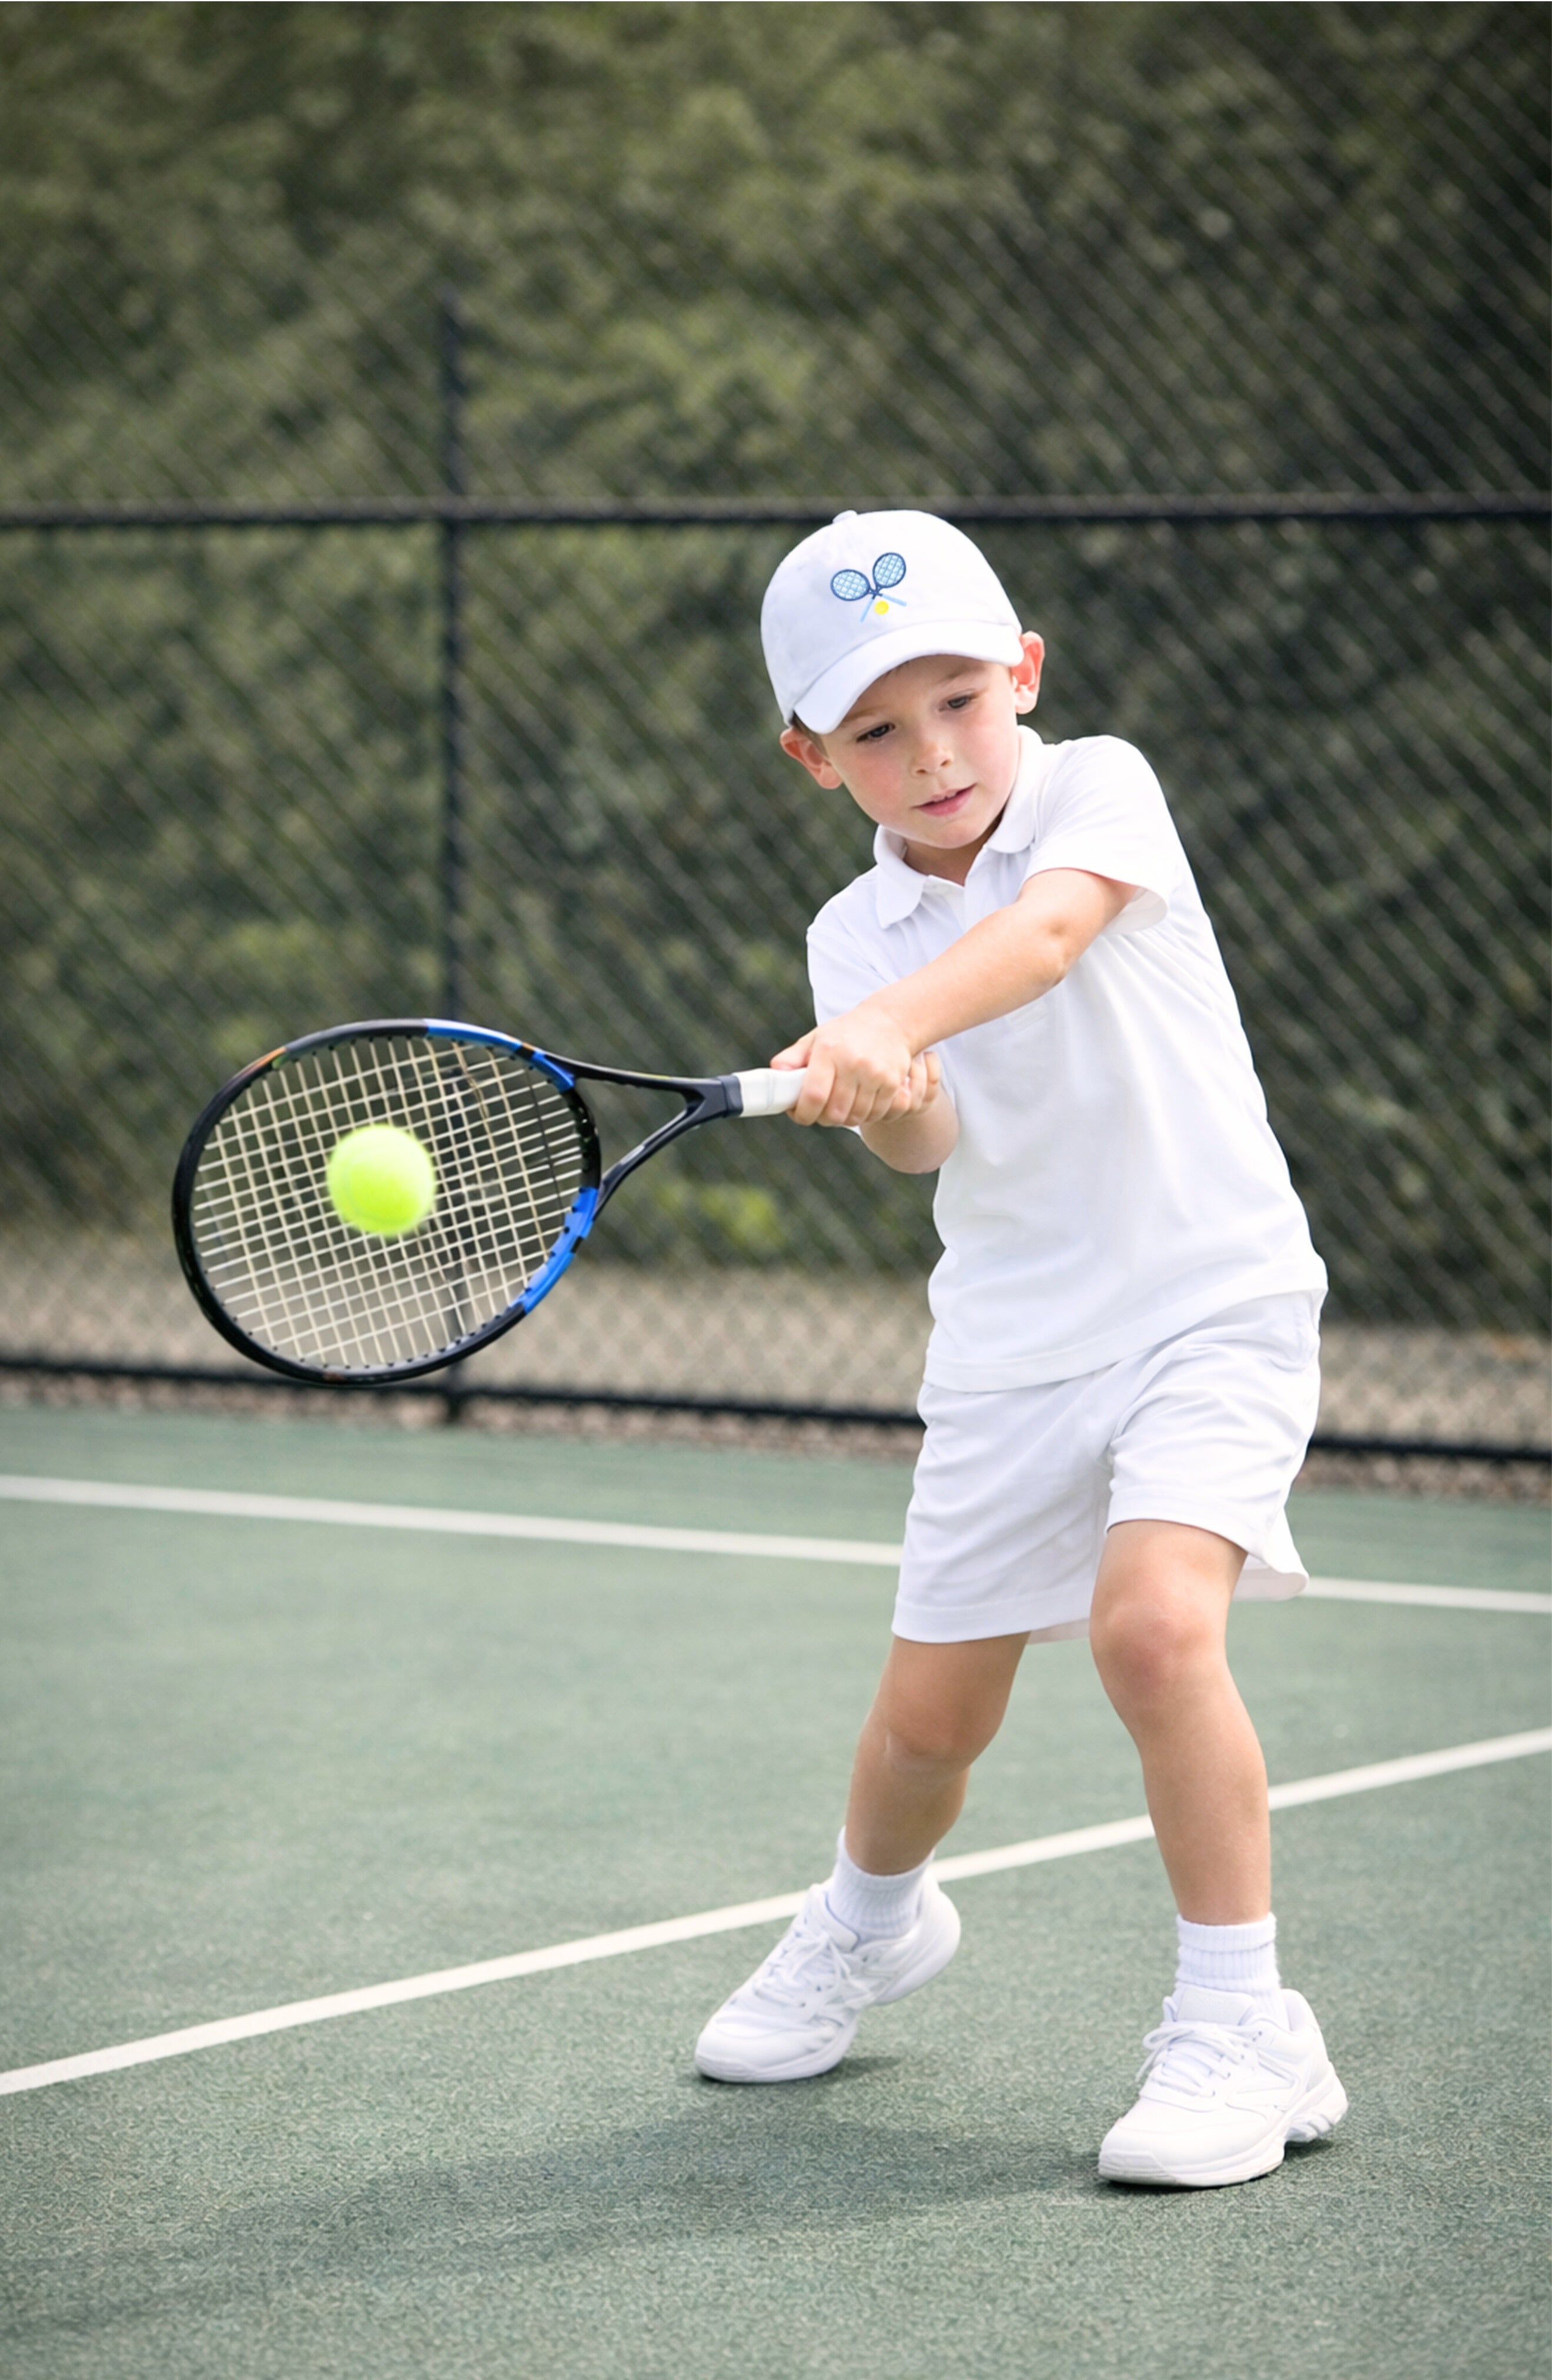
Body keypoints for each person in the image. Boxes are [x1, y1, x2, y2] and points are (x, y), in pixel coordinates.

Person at [693, 510, 1348, 2189]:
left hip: (1211, 1300)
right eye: (875, 730)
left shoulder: (1098, 791)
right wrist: (885, 1089)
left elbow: (1046, 940)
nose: (933, 754)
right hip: (1009, 1350)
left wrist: (888, 1026)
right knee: (927, 1727)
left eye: (960, 702)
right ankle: (871, 1923)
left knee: (1154, 1631)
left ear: (1025, 675)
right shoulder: (855, 939)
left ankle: (1244, 2023)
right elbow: (927, 1143)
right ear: (811, 757)